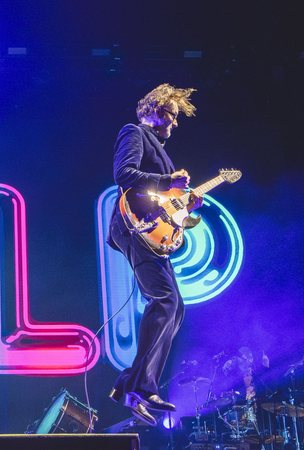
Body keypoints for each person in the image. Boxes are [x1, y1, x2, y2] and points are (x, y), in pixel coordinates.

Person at [106, 83, 202, 425]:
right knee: (164, 300)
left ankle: (129, 385)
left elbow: (164, 201)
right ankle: (141, 389)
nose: (173, 126)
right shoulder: (135, 133)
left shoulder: (162, 154)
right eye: (171, 117)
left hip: (153, 232)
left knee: (175, 307)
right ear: (154, 111)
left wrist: (185, 205)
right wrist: (168, 180)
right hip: (135, 227)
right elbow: (124, 174)